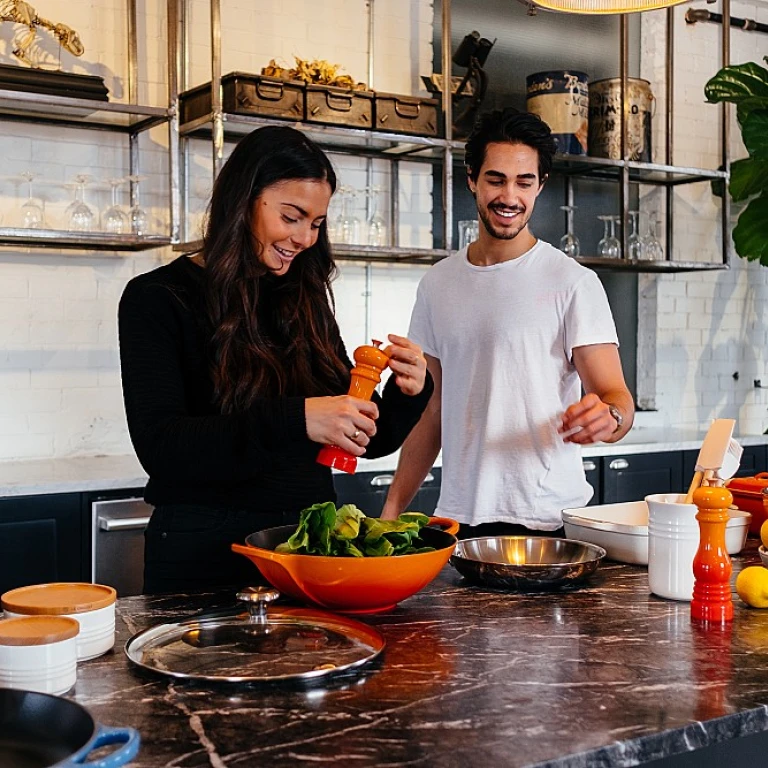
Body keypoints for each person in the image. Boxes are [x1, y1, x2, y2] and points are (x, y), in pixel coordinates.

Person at [118, 125, 432, 594]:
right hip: (202, 558)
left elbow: (360, 440)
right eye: (292, 216)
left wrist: (407, 392)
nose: (305, 237)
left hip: (307, 551)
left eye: (317, 223)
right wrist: (298, 419)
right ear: (244, 199)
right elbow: (162, 448)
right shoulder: (157, 298)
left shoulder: (304, 298)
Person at [380, 107, 634, 539]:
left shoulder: (573, 282)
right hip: (459, 520)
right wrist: (390, 512)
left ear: (541, 186)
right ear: (472, 180)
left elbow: (617, 399)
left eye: (524, 182)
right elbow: (431, 411)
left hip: (549, 521)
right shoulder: (438, 283)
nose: (509, 196)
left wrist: (608, 418)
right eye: (496, 179)